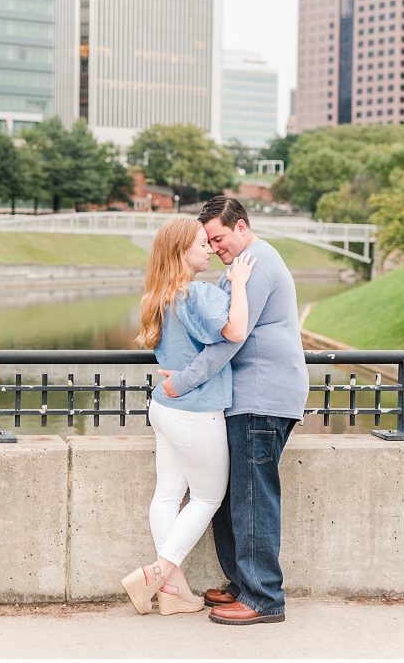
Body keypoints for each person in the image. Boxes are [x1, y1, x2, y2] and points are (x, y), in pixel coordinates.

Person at [158, 196, 309, 626]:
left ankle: (264, 597)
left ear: (241, 227)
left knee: (253, 498)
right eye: (208, 240)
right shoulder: (241, 267)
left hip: (261, 397)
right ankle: (243, 583)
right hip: (245, 397)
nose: (216, 247)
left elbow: (229, 340)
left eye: (219, 238)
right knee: (234, 495)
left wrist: (181, 382)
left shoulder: (257, 264)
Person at [121, 217, 256, 616]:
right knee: (207, 497)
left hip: (164, 408)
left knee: (166, 494)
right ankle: (156, 574)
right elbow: (236, 331)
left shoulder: (158, 296)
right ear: (181, 251)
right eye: (201, 244)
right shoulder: (197, 293)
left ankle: (173, 591)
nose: (210, 249)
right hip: (197, 412)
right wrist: (242, 284)